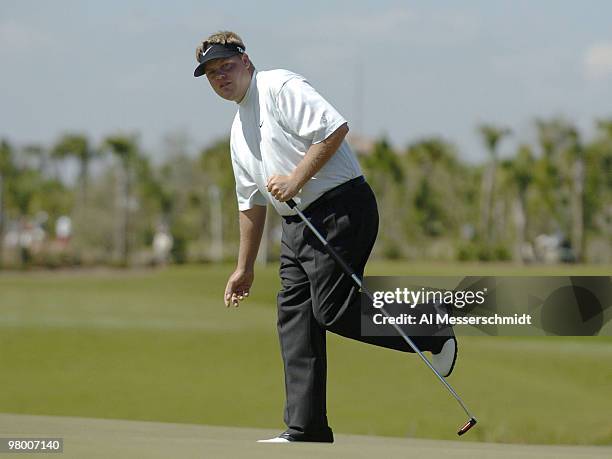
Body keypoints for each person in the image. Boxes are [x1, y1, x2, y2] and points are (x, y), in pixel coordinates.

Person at [194, 31, 457, 443]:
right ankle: (306, 426)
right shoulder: (237, 132)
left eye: (225, 66)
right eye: (211, 74)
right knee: (295, 316)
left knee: (332, 309)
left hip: (341, 208)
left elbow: (334, 128)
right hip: (297, 225)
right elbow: (251, 204)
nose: (220, 77)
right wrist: (243, 268)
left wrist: (296, 177)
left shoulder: (279, 86)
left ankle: (432, 328)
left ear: (245, 61)